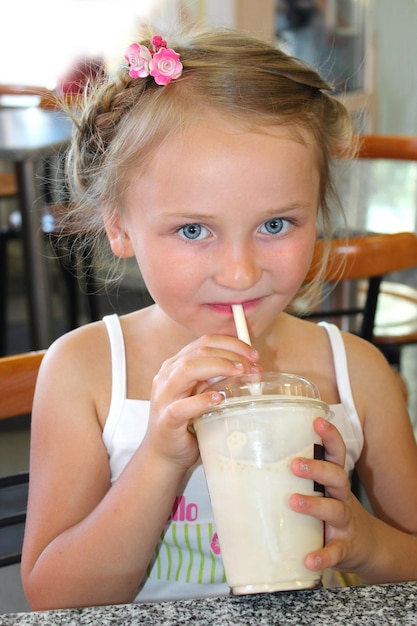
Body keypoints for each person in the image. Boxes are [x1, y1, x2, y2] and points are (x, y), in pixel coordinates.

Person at [21, 26, 417, 610]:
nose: (238, 272)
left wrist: (364, 543)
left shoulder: (356, 372)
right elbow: (55, 600)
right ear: (120, 225)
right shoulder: (84, 372)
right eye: (192, 230)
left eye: (276, 225)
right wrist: (159, 456)